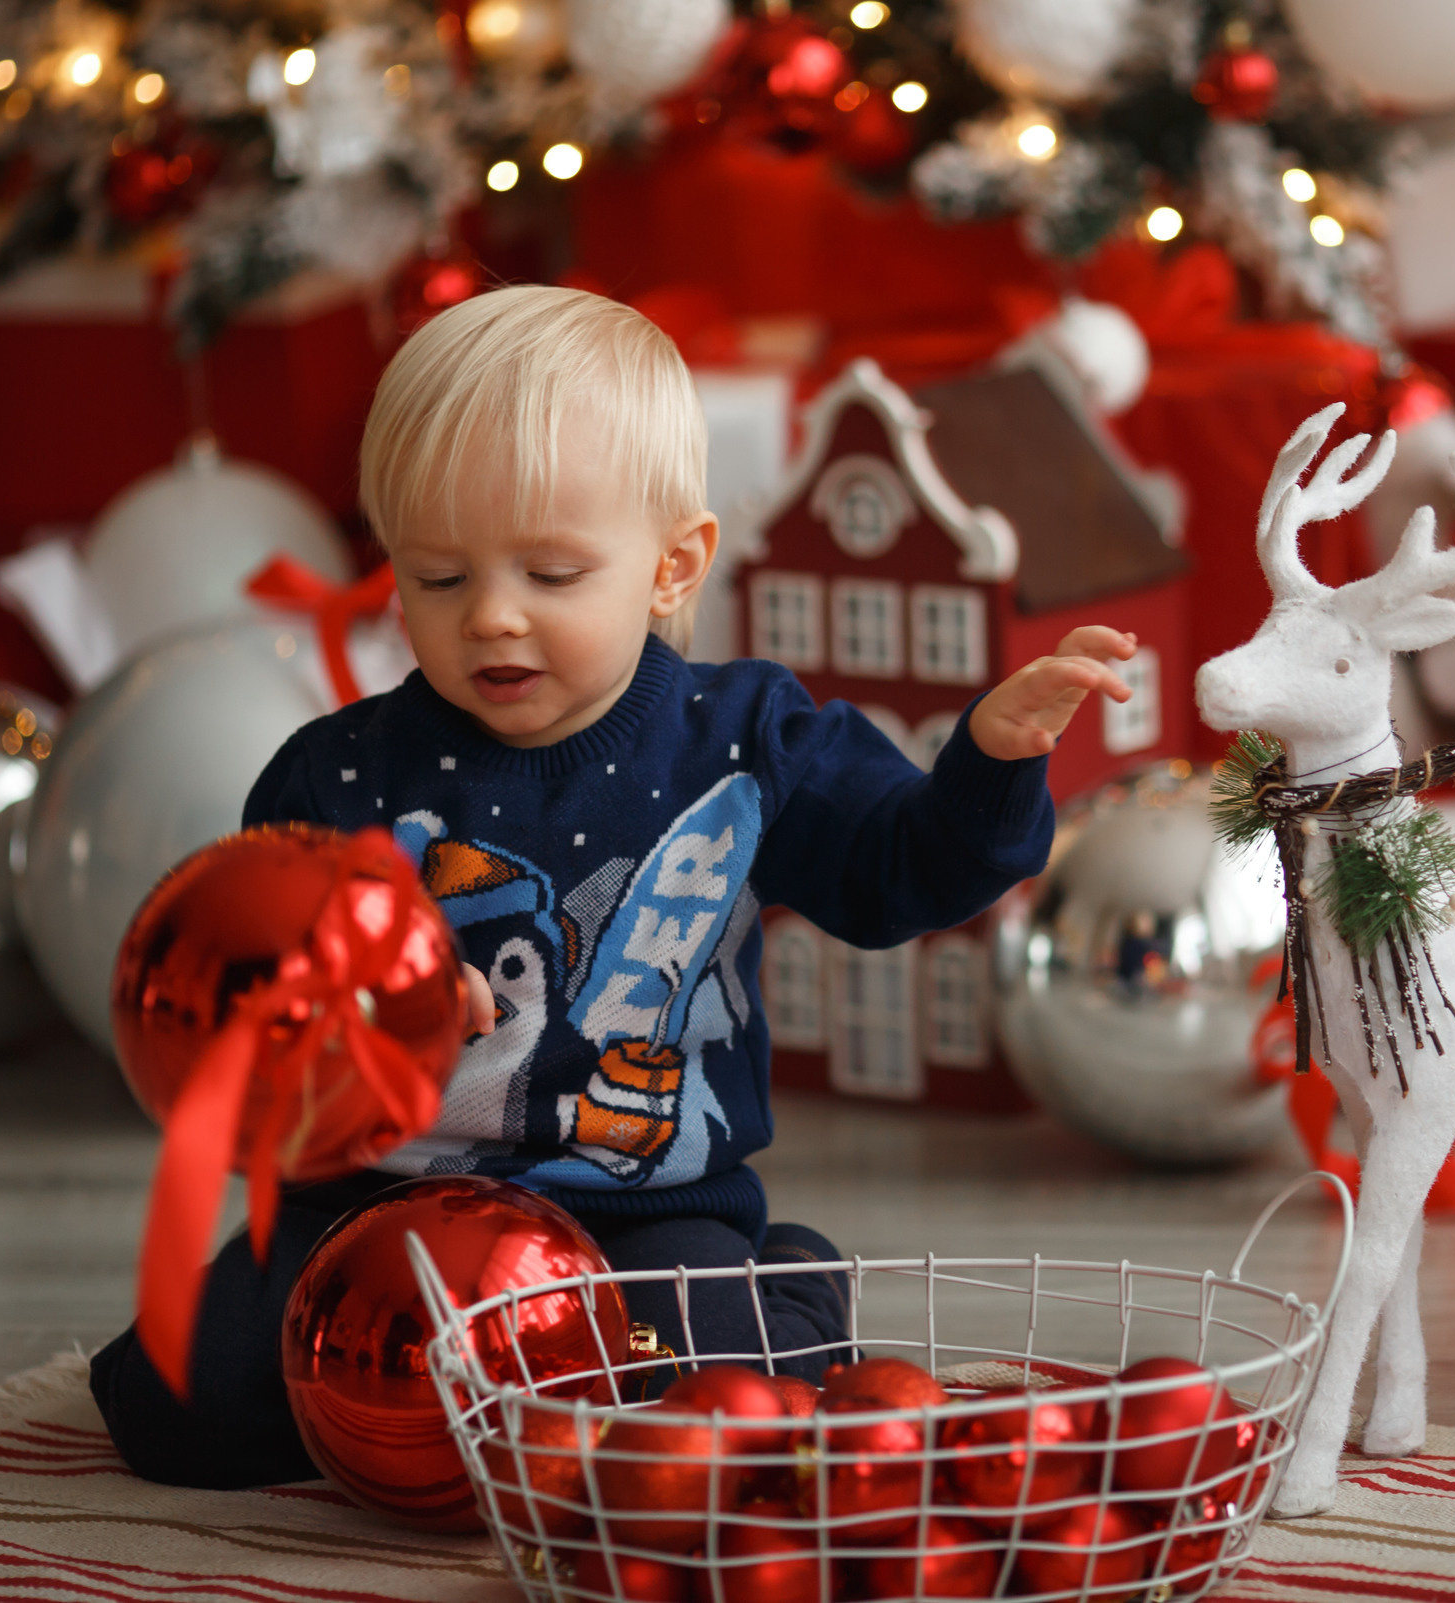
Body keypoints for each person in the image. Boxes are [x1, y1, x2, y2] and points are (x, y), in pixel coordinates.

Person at [89, 285, 1136, 1487]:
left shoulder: (743, 739)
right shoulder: (334, 776)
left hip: (642, 1221)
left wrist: (989, 766)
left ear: (670, 565)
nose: (492, 616)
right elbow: (257, 1026)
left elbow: (902, 873)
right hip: (372, 1215)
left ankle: (784, 1279)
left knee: (711, 1417)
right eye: (436, 578)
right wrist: (372, 1019)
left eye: (550, 572)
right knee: (186, 1414)